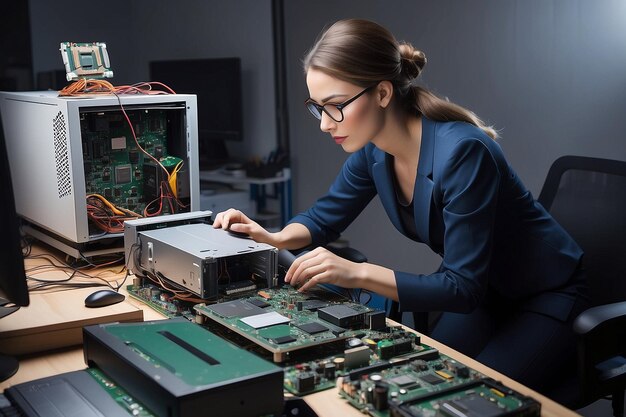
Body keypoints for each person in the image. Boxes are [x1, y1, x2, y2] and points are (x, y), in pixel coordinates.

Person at [213, 18, 588, 394]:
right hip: (488, 292)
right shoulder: (374, 151)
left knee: (475, 397)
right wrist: (271, 237)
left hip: (546, 295)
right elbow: (322, 218)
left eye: (336, 106)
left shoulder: (463, 152)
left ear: (382, 93)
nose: (325, 124)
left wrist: (355, 273)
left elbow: (461, 287)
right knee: (420, 384)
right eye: (318, 108)